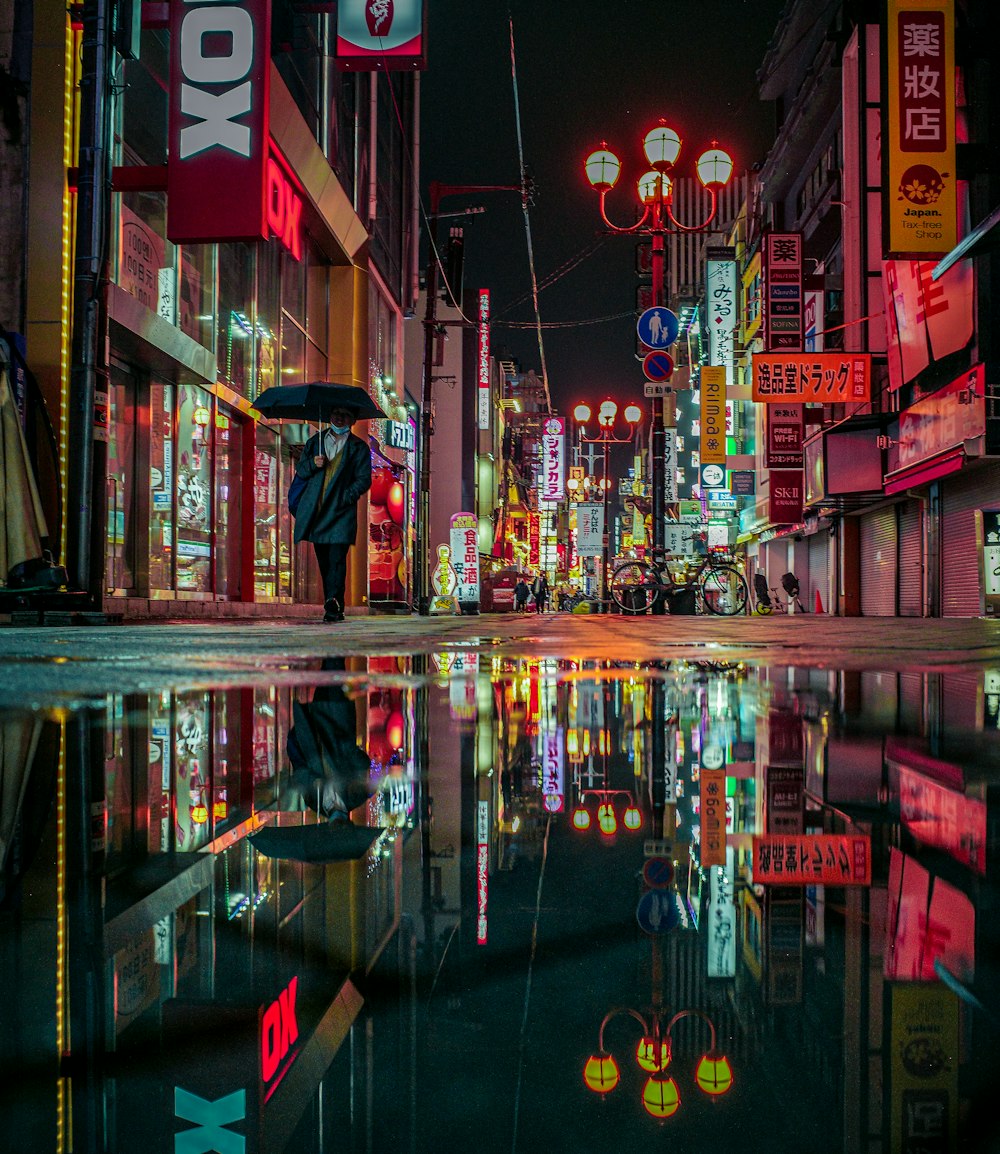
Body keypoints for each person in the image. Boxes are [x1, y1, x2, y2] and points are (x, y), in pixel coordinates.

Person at [291, 406, 372, 622]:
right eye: (335, 412)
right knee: (325, 561)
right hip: (317, 511)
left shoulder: (359, 448)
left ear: (352, 420)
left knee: (337, 559)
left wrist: (346, 497)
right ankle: (333, 601)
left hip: (341, 514)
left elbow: (364, 479)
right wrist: (313, 463)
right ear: (329, 415)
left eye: (344, 414)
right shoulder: (314, 442)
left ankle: (333, 603)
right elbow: (301, 470)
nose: (338, 416)